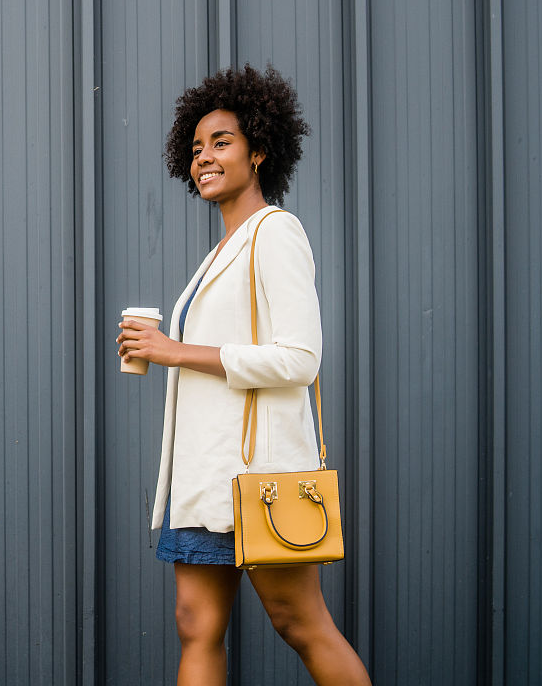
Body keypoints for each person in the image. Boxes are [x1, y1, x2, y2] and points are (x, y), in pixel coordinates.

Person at [115, 65, 370, 686]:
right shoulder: (219, 254)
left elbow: (299, 359)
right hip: (203, 480)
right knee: (194, 624)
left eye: (221, 142)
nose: (204, 157)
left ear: (259, 150)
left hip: (255, 476)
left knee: (298, 622)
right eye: (196, 147)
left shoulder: (275, 232)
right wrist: (167, 350)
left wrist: (177, 351)